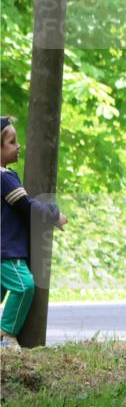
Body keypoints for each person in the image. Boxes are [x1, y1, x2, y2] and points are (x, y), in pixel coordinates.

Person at [1, 116, 68, 350]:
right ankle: (6, 335)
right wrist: (54, 215)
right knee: (24, 285)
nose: (18, 146)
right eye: (11, 142)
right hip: (7, 251)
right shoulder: (4, 178)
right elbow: (27, 206)